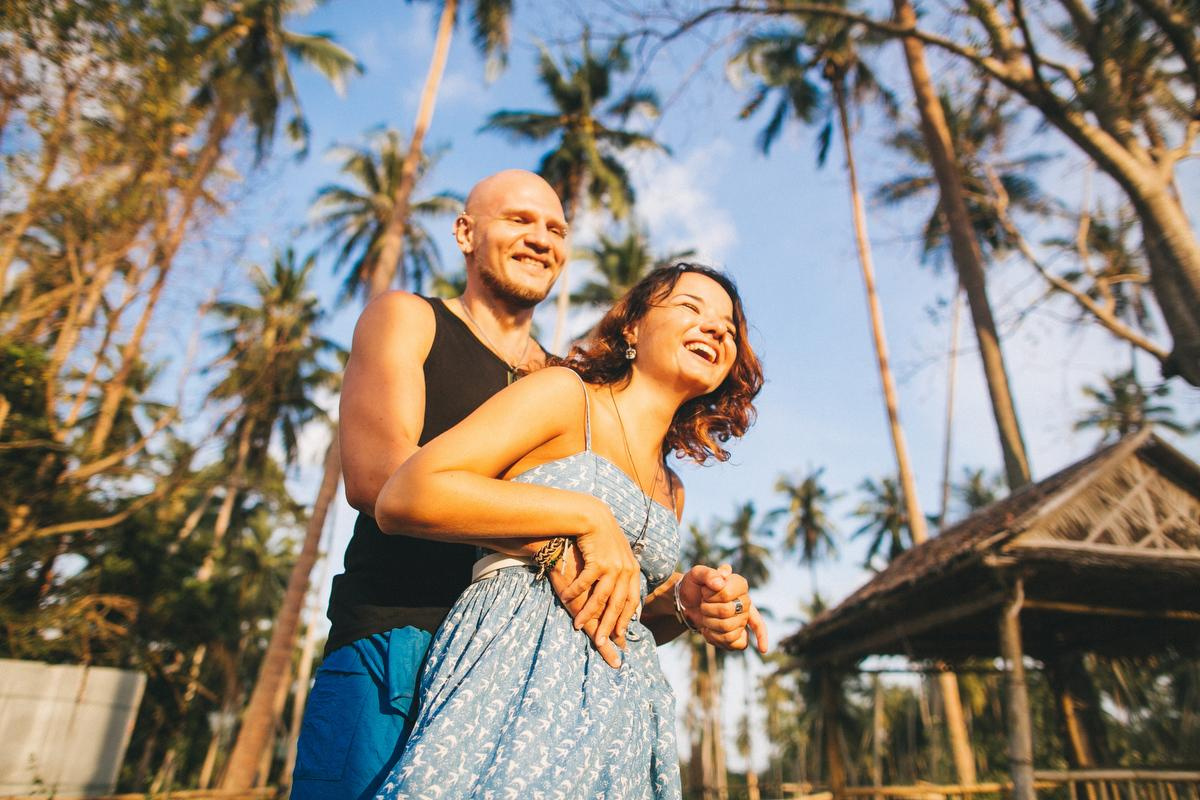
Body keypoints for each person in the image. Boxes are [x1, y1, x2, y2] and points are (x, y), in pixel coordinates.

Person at [292, 171, 763, 800]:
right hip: (400, 630)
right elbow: (383, 483)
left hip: (562, 696)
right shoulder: (415, 320)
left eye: (557, 228)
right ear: (465, 232)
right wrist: (572, 527)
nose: (540, 238)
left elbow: (610, 596)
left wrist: (680, 600)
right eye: (519, 220)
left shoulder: (565, 380)